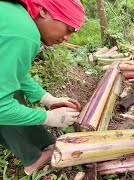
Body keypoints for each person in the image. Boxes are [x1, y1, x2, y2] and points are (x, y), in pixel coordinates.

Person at [0, 0, 85, 175]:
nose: (67, 38)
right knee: (8, 100)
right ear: (44, 11)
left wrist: (47, 99)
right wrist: (47, 117)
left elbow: (13, 73)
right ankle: (34, 157)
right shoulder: (24, 32)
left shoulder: (14, 15)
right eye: (68, 29)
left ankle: (36, 149)